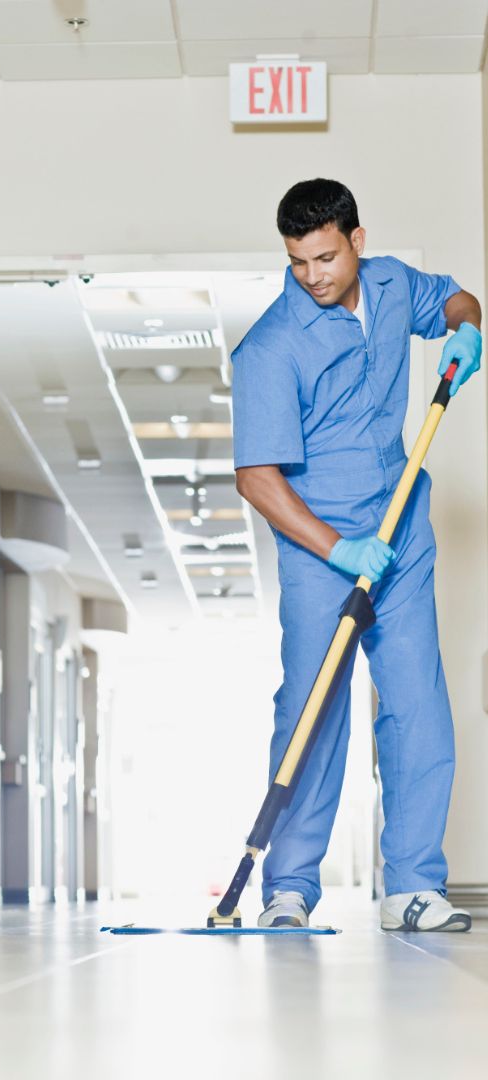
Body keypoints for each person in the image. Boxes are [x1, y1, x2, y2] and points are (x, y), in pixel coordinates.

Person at [232, 178, 481, 932]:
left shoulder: (392, 284)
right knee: (313, 712)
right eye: (299, 260)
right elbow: (257, 478)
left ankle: (411, 884)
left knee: (417, 707)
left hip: (401, 529)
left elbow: (457, 300)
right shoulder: (272, 347)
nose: (314, 275)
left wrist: (466, 333)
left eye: (327, 256)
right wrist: (339, 548)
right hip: (321, 550)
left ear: (357, 239)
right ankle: (290, 887)